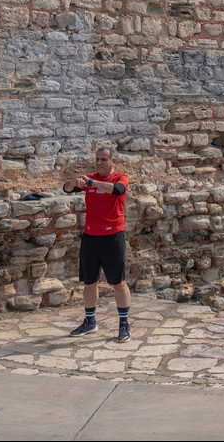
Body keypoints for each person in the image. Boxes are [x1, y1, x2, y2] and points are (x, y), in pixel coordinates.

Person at [63, 146, 131, 342]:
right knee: (89, 282)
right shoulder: (89, 177)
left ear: (113, 162)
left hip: (113, 237)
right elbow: (66, 189)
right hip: (91, 237)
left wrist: (92, 182)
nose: (99, 163)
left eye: (103, 159)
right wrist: (73, 183)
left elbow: (118, 191)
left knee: (118, 283)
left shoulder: (120, 178)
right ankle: (90, 321)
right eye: (97, 159)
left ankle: (124, 324)